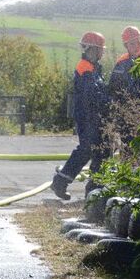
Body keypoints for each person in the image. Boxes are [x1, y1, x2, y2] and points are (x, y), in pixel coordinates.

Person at [51, 31, 108, 200]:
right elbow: (93, 94)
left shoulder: (93, 67)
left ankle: (94, 191)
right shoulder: (85, 68)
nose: (102, 52)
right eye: (101, 49)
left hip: (94, 117)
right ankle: (61, 181)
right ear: (93, 49)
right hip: (87, 117)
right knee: (87, 150)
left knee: (101, 152)